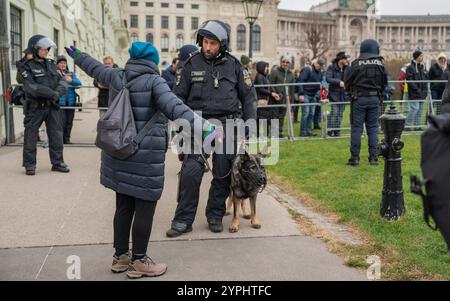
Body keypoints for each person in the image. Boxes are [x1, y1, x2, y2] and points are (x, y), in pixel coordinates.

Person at [65, 41, 219, 279]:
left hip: (118, 152)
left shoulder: (117, 75)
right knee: (144, 209)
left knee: (123, 206)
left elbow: (93, 67)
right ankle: (138, 262)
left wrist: (76, 53)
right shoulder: (155, 82)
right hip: (144, 159)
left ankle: (120, 258)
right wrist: (206, 128)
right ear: (153, 61)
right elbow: (176, 108)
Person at [166, 20, 257, 237]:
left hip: (228, 124)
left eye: (213, 43)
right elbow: (177, 99)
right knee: (191, 171)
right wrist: (180, 128)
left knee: (223, 173)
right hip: (197, 125)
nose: (208, 47)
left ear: (222, 44)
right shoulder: (188, 65)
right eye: (205, 42)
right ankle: (183, 219)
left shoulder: (236, 66)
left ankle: (215, 215)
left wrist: (249, 125)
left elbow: (249, 99)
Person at [21, 35, 69, 176]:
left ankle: (57, 162)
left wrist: (57, 94)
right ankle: (30, 165)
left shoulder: (51, 64)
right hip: (36, 107)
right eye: (43, 49)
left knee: (56, 135)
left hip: (52, 106)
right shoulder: (27, 67)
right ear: (35, 49)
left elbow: (63, 82)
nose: (46, 51)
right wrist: (52, 93)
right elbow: (32, 87)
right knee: (31, 135)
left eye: (47, 49)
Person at [345, 39, 388, 166]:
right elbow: (384, 82)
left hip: (359, 99)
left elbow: (347, 81)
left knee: (357, 128)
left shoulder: (356, 63)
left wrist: (350, 92)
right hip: (375, 99)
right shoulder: (380, 64)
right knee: (373, 128)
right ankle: (374, 158)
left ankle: (355, 158)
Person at [56, 56, 82, 145]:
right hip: (60, 102)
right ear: (57, 64)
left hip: (71, 102)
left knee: (69, 122)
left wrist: (71, 81)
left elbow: (79, 84)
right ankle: (59, 139)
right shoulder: (55, 74)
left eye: (64, 63)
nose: (63, 65)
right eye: (61, 63)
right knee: (60, 122)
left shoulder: (71, 74)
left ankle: (67, 139)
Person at [269, 57, 296, 138]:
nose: (285, 64)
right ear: (281, 62)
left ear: (289, 64)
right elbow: (270, 84)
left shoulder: (291, 75)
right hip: (275, 98)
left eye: (287, 62)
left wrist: (291, 101)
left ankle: (279, 133)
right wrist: (275, 94)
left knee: (281, 117)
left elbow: (292, 89)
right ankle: (274, 133)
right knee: (275, 117)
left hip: (285, 99)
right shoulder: (275, 72)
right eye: (283, 62)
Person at [326, 52, 349, 137]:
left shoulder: (347, 68)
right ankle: (330, 130)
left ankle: (337, 131)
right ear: (340, 59)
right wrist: (339, 82)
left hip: (343, 95)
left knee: (340, 114)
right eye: (345, 59)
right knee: (334, 113)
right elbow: (328, 78)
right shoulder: (332, 67)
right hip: (334, 95)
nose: (346, 60)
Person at [298, 60, 323, 137]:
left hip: (314, 95)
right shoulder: (308, 70)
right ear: (315, 63)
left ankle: (309, 130)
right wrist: (301, 93)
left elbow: (320, 84)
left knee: (311, 114)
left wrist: (321, 93)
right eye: (318, 64)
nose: (319, 66)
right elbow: (301, 81)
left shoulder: (320, 73)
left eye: (320, 65)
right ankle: (303, 131)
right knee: (305, 113)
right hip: (305, 94)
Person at [405, 49, 429, 130]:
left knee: (420, 111)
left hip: (422, 92)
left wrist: (425, 90)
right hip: (414, 92)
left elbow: (426, 78)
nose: (422, 57)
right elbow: (409, 80)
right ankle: (406, 125)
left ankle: (417, 126)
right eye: (421, 56)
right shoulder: (410, 67)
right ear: (417, 57)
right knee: (415, 109)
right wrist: (416, 89)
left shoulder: (423, 67)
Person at [255, 61, 279, 138]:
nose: (267, 69)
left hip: (265, 100)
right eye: (266, 67)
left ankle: (264, 134)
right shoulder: (259, 76)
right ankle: (260, 135)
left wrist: (273, 93)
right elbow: (261, 89)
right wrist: (271, 94)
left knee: (265, 118)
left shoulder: (264, 76)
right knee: (261, 118)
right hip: (261, 100)